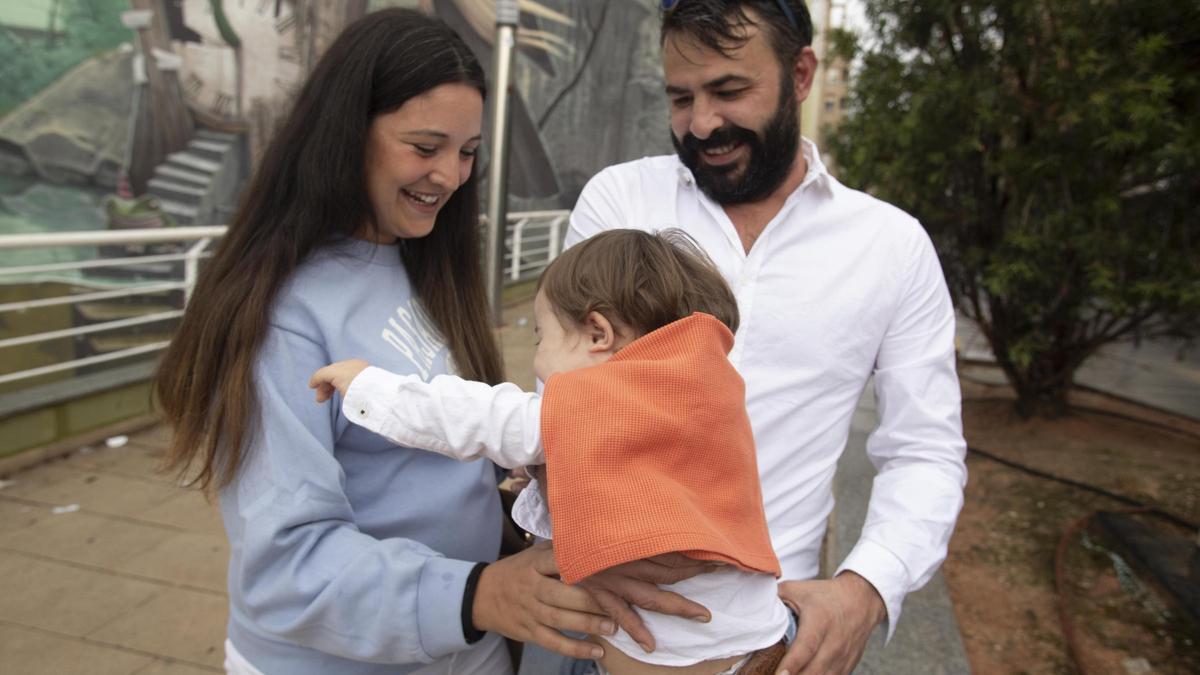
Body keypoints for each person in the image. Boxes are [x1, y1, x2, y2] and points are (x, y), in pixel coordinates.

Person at [154, 10, 704, 674]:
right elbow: (285, 562)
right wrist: (478, 594)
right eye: (425, 146)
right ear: (347, 133)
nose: (449, 174)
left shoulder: (420, 267)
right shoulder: (278, 313)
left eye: (468, 152)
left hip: (458, 646)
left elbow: (437, 464)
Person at [558, 2, 970, 673]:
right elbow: (564, 399)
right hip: (609, 626)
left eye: (728, 90)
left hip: (774, 642)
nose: (702, 123)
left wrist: (864, 589)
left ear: (801, 73)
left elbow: (925, 449)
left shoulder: (890, 247)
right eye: (680, 96)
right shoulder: (618, 204)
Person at [309, 229, 794, 674]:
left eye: (542, 336)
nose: (537, 358)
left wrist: (369, 388)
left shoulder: (594, 405)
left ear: (598, 335)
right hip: (760, 640)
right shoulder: (708, 406)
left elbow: (474, 416)